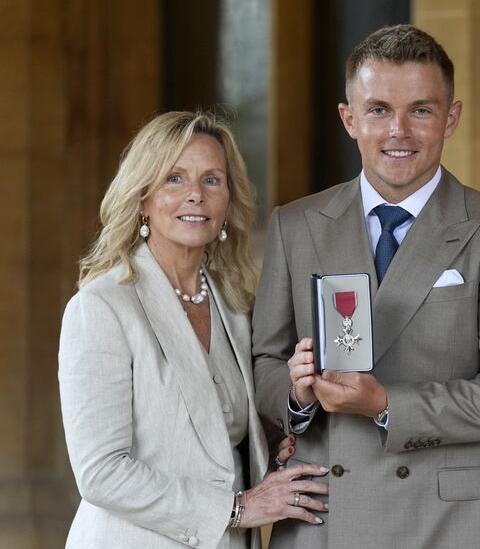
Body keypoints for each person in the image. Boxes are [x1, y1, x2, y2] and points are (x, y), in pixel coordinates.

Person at [252, 24, 480, 549]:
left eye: (421, 109)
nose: (399, 132)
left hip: (447, 523)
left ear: (451, 117)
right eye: (379, 110)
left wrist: (388, 403)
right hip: (324, 516)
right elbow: (264, 365)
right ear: (349, 119)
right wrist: (296, 395)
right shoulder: (293, 226)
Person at [58, 111, 329, 549]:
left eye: (211, 181)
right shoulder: (100, 308)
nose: (195, 196)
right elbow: (100, 472)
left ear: (228, 199)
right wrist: (237, 509)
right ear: (143, 198)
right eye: (174, 179)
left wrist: (278, 434)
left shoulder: (236, 306)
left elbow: (224, 437)